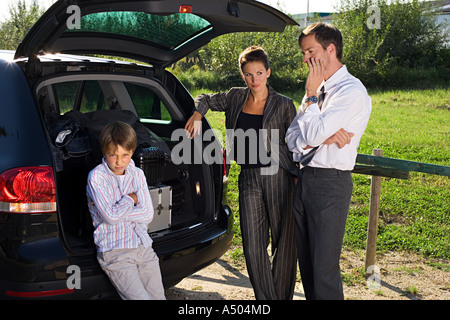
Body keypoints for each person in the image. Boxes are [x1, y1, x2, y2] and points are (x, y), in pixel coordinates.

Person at [185, 46, 297, 300]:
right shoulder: (235, 97)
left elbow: (297, 144)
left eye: (259, 73)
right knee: (252, 245)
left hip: (278, 175)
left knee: (284, 242)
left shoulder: (284, 104)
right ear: (242, 76)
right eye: (248, 74)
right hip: (248, 177)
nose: (254, 79)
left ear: (268, 72)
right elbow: (204, 97)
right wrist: (197, 114)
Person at [286, 22, 372, 300]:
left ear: (330, 49)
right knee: (308, 267)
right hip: (306, 180)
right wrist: (323, 135)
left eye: (310, 51)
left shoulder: (351, 92)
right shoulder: (318, 88)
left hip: (330, 185)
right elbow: (291, 139)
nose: (305, 59)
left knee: (324, 270)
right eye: (303, 53)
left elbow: (308, 132)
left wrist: (311, 105)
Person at [86, 121, 166, 300]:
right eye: (113, 155)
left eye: (125, 155)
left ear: (132, 152)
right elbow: (111, 217)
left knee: (159, 298)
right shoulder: (97, 177)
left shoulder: (137, 174)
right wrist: (131, 199)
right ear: (104, 152)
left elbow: (147, 214)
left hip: (143, 247)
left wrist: (118, 209)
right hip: (116, 251)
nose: (119, 161)